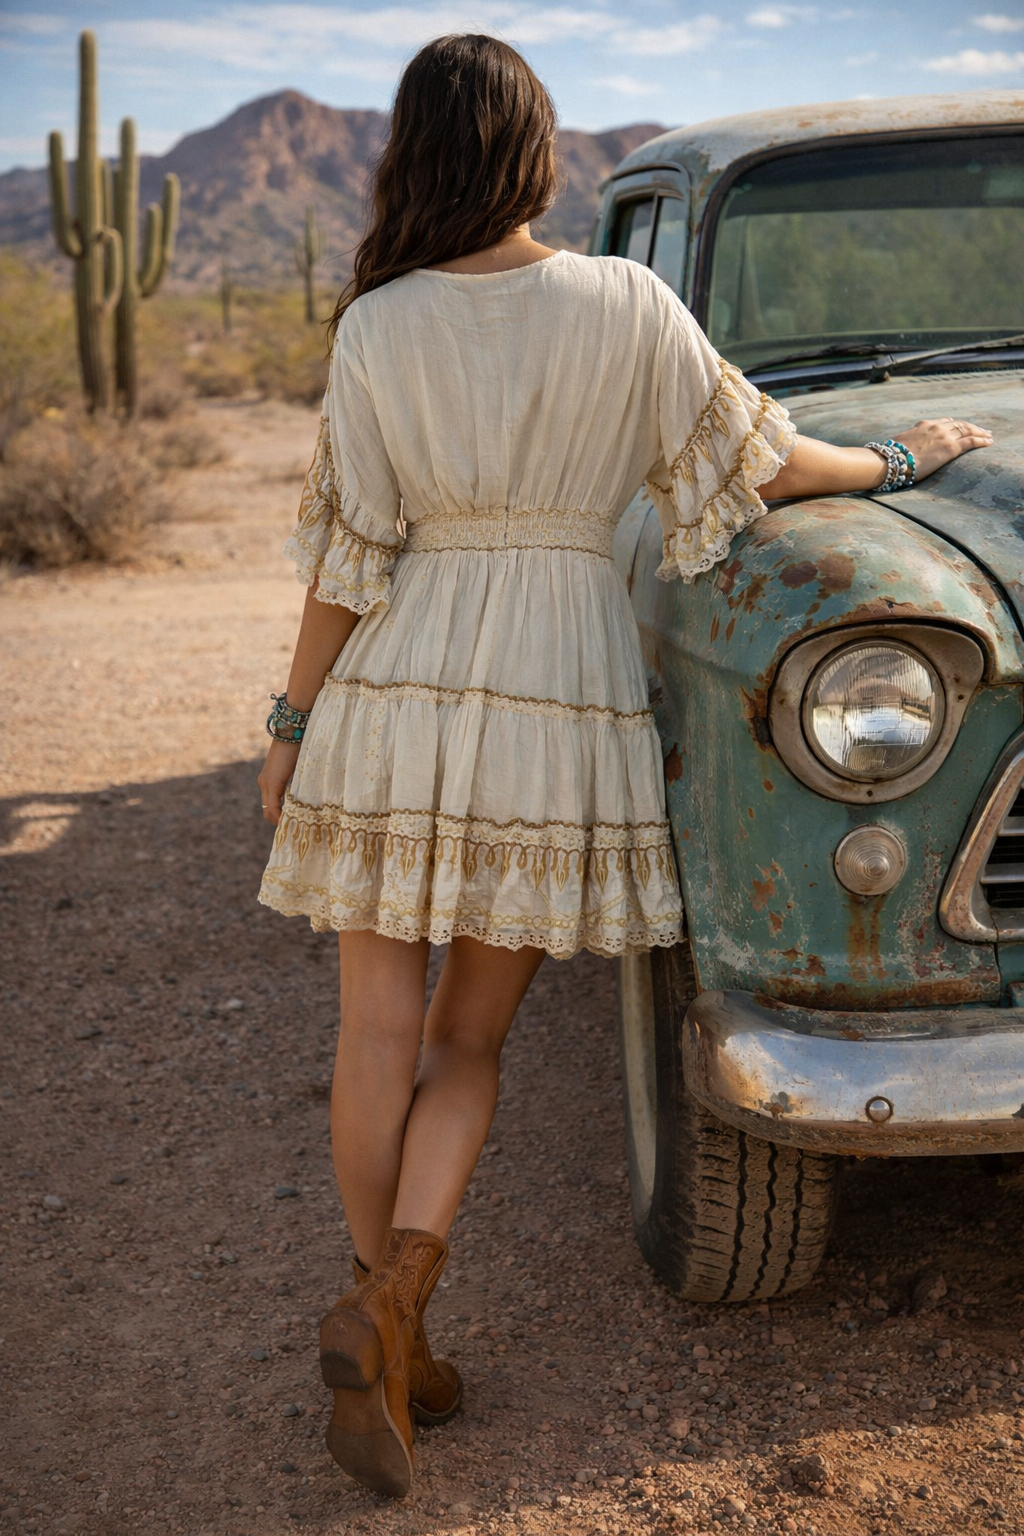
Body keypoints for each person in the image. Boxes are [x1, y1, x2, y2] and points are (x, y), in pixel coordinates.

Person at [256, 34, 992, 1499]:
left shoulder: (376, 325)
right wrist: (904, 462)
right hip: (551, 694)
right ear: (537, 152)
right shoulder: (629, 303)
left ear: (418, 152)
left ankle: (386, 1315)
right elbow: (769, 461)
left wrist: (291, 728)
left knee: (372, 1033)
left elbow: (346, 560)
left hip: (395, 685)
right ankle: (395, 1312)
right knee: (471, 1042)